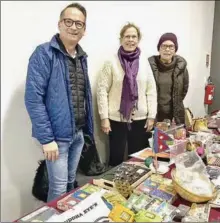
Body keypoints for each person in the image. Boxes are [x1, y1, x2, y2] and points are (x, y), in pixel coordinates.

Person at [25, 3, 93, 202]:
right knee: (58, 189)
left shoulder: (82, 57)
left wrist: (86, 131)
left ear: (84, 30)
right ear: (59, 24)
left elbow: (83, 95)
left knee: (72, 182)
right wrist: (46, 139)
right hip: (57, 138)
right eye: (69, 22)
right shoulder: (44, 53)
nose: (73, 27)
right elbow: (33, 98)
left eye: (79, 24)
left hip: (78, 133)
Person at [97, 23, 157, 167]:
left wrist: (151, 116)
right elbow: (102, 90)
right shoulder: (111, 62)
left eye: (134, 36)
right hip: (116, 118)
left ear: (138, 39)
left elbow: (151, 91)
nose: (131, 40)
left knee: (137, 159)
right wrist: (104, 118)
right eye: (127, 36)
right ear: (121, 39)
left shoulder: (144, 62)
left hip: (140, 118)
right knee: (116, 157)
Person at [148, 32, 189, 125]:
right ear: (159, 48)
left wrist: (176, 102)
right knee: (152, 139)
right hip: (153, 114)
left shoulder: (181, 67)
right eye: (164, 46)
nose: (167, 49)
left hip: (174, 115)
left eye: (171, 47)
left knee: (173, 139)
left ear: (175, 50)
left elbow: (184, 89)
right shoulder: (149, 65)